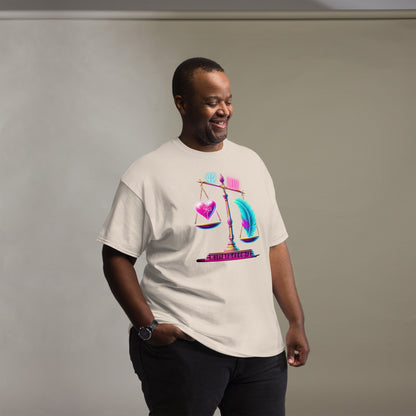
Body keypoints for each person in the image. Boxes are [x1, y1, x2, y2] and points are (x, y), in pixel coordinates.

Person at [98, 57, 309, 416]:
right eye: (212, 102)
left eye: (227, 100)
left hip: (260, 350)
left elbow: (274, 246)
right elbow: (116, 255)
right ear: (182, 103)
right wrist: (148, 327)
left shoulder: (251, 163)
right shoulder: (149, 173)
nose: (223, 110)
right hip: (187, 347)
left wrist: (295, 321)